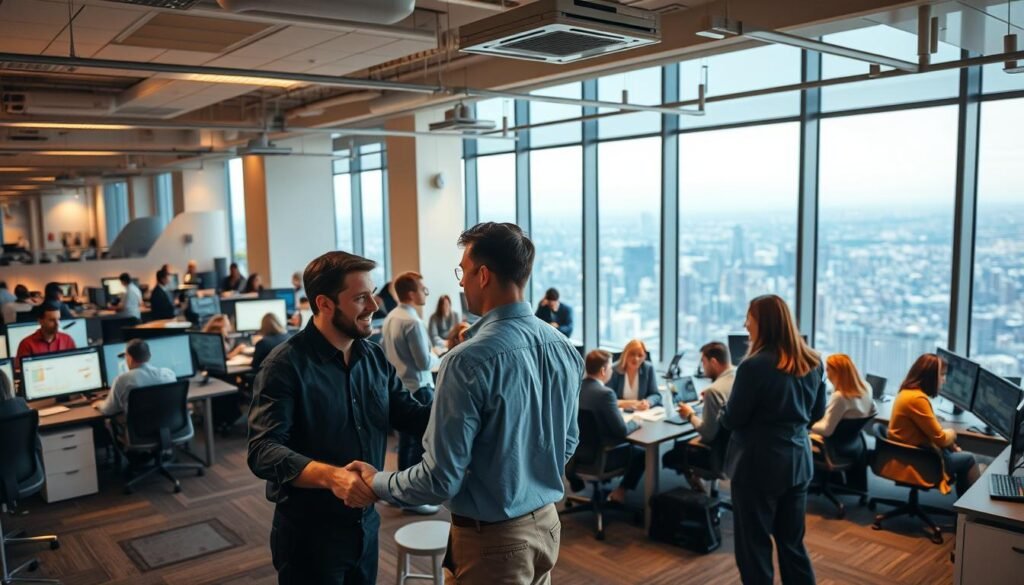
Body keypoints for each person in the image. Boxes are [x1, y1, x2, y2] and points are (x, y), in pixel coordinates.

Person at [351, 222, 584, 585]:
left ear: (483, 275)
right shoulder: (564, 347)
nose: (460, 283)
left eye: (463, 271)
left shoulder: (466, 361)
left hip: (494, 541)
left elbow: (440, 479)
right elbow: (568, 441)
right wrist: (525, 476)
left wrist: (377, 481)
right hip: (548, 526)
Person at [247, 251, 432, 585]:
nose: (375, 305)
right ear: (325, 303)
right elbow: (263, 451)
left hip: (366, 525)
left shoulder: (373, 355)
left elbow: (410, 414)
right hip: (310, 535)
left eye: (373, 293)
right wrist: (332, 477)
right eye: (361, 297)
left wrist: (465, 403)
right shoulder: (285, 366)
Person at [719, 294, 826, 585]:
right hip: (798, 463)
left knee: (754, 548)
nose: (745, 324)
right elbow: (816, 413)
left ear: (763, 323)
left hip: (757, 467)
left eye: (749, 318)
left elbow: (733, 419)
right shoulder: (813, 362)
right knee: (792, 544)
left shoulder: (754, 366)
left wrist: (722, 411)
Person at [380, 271, 441, 511]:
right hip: (419, 388)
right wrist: (437, 352)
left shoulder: (391, 317)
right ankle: (413, 499)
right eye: (422, 288)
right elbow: (424, 362)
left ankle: (399, 493)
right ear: (411, 293)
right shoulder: (413, 322)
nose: (426, 292)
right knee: (418, 444)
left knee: (405, 443)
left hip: (400, 386)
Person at [886, 353, 980, 497]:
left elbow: (932, 431)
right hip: (918, 460)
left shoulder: (907, 392)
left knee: (957, 453)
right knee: (969, 459)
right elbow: (941, 438)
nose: (944, 380)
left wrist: (950, 444)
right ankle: (969, 512)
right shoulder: (917, 399)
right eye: (942, 375)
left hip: (907, 454)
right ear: (931, 377)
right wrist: (952, 433)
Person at [567, 349, 644, 505]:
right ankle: (621, 491)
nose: (612, 371)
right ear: (603, 371)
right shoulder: (605, 394)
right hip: (601, 456)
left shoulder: (575, 388)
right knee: (641, 453)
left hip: (574, 454)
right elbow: (621, 431)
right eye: (610, 368)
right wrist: (636, 421)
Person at [665, 341, 736, 493]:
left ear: (714, 362)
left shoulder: (714, 390)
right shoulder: (739, 377)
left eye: (703, 363)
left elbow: (708, 434)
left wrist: (689, 414)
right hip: (735, 451)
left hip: (716, 456)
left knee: (672, 454)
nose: (702, 368)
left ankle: (700, 492)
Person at [92, 339, 176, 416]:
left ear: (130, 358)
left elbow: (108, 410)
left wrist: (99, 403)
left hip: (142, 431)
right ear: (149, 356)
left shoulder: (122, 381)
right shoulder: (169, 374)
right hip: (175, 429)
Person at [811, 353, 876, 438]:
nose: (827, 374)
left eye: (828, 370)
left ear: (837, 372)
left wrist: (810, 425)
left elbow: (826, 430)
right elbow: (874, 410)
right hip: (852, 440)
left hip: (832, 443)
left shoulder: (840, 397)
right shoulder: (867, 388)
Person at [15, 302, 76, 368]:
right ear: (40, 321)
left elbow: (75, 364)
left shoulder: (67, 340)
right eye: (52, 320)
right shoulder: (27, 344)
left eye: (58, 319)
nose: (57, 324)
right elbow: (20, 371)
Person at [607, 339, 661, 411]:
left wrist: (647, 402)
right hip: (620, 413)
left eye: (640, 355)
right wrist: (633, 403)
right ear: (625, 354)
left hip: (642, 413)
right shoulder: (614, 370)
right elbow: (609, 398)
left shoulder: (648, 369)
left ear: (644, 357)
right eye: (632, 354)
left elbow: (656, 395)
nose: (636, 358)